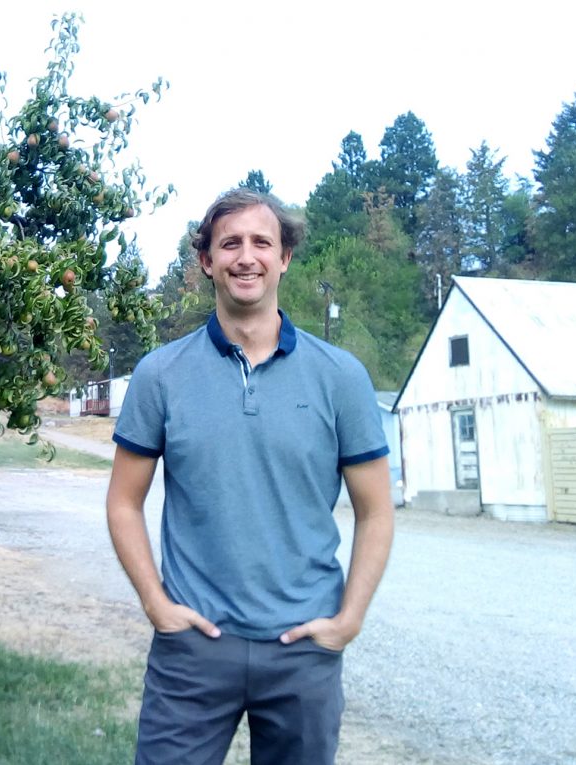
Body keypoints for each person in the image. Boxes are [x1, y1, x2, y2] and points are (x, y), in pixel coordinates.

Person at [106, 188, 394, 764]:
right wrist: (157, 606)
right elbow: (122, 502)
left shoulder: (341, 377)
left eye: (262, 242)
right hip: (192, 650)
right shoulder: (160, 375)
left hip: (302, 653)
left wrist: (349, 620)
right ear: (207, 261)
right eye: (229, 243)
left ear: (284, 257)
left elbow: (376, 510)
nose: (246, 256)